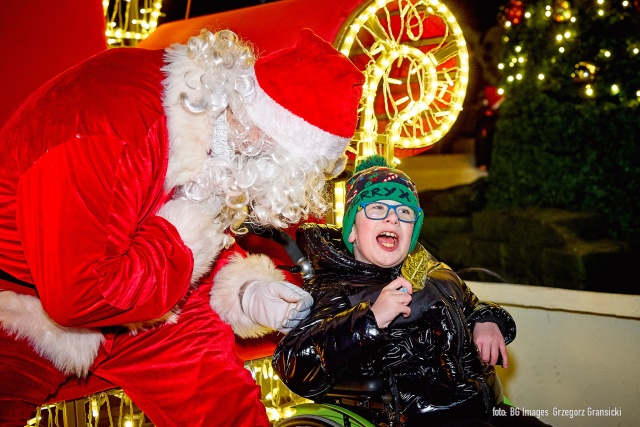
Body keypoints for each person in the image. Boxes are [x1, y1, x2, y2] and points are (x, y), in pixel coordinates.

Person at [0, 28, 364, 426]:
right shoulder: (112, 127)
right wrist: (185, 242)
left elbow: (181, 224)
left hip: (145, 296)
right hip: (23, 300)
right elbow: (78, 294)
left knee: (229, 410)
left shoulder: (224, 125)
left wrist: (246, 291)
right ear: (263, 135)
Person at [273, 155, 551, 427]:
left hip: (484, 403)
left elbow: (470, 303)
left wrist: (486, 319)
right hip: (423, 416)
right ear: (352, 230)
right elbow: (294, 364)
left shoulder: (431, 269)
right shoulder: (335, 286)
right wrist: (370, 320)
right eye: (377, 208)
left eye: (404, 213)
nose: (393, 219)